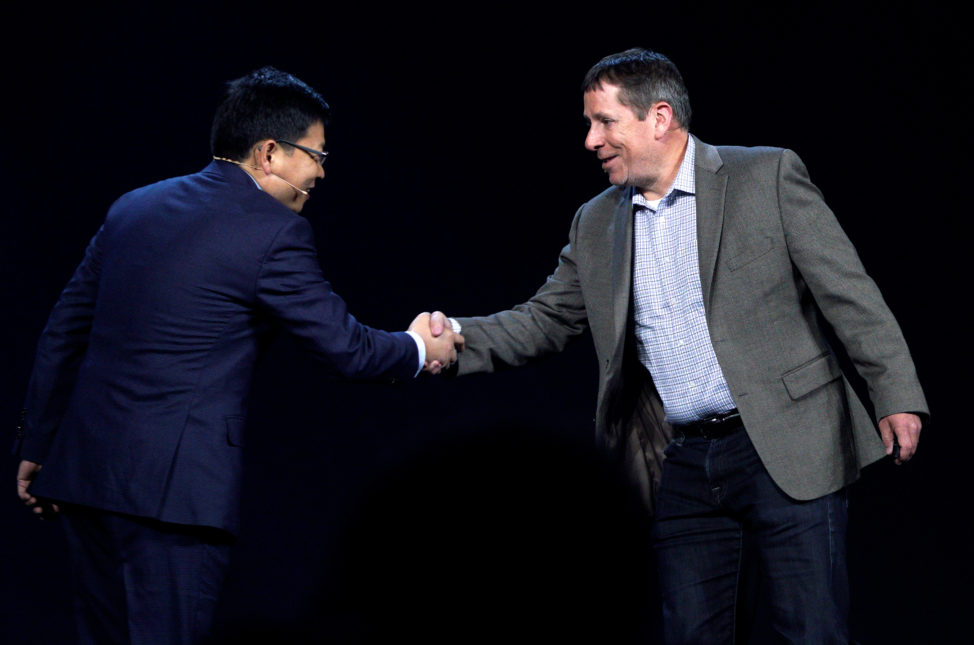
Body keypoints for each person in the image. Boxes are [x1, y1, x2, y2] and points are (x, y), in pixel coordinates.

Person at [430, 48, 927, 643]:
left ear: (659, 118)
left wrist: (894, 391)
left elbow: (848, 293)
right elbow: (545, 320)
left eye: (604, 121)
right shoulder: (596, 221)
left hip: (786, 441)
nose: (590, 140)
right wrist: (457, 338)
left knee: (809, 630)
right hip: (684, 461)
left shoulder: (764, 175)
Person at [14, 66, 462, 644]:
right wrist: (420, 346)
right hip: (173, 503)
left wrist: (37, 444)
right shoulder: (273, 232)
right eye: (316, 156)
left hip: (85, 482)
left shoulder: (133, 208)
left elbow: (62, 333)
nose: (322, 173)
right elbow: (346, 349)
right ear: (269, 152)